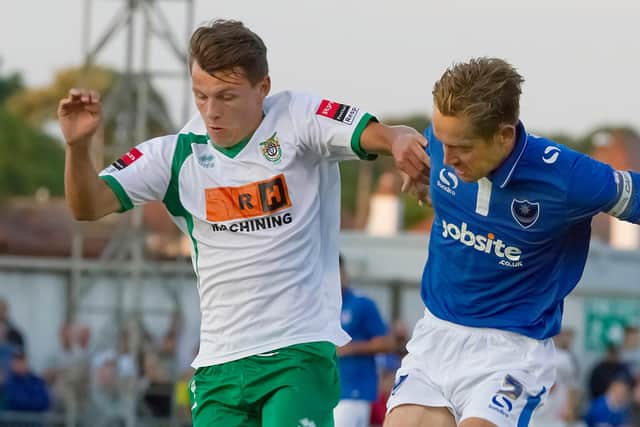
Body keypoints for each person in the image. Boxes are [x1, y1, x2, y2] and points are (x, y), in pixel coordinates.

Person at [58, 19, 429, 427]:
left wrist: (400, 143)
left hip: (296, 353)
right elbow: (88, 205)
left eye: (227, 96)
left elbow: (382, 133)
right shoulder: (174, 156)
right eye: (200, 96)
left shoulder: (297, 119)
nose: (212, 111)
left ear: (262, 88)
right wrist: (77, 148)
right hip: (219, 365)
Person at [384, 57, 640, 427]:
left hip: (511, 352)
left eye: (462, 147)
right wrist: (427, 184)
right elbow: (436, 163)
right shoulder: (444, 146)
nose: (447, 155)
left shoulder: (567, 178)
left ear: (503, 136)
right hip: (436, 336)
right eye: (441, 141)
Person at [334, 254, 394, 427]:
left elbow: (387, 343)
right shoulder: (321, 306)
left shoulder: (361, 304)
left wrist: (351, 348)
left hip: (354, 392)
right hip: (327, 391)